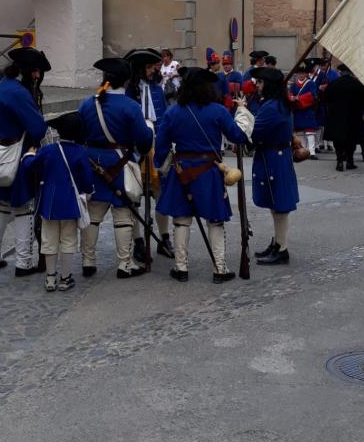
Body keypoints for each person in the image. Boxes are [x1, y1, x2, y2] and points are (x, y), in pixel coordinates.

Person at [154, 67, 248, 283]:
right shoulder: (218, 111)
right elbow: (238, 136)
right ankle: (219, 269)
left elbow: (161, 145)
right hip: (209, 172)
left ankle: (181, 268)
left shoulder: (173, 112)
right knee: (215, 220)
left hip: (182, 170)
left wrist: (160, 165)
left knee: (181, 220)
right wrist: (242, 111)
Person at [79, 57, 154, 278]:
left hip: (92, 162)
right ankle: (125, 264)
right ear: (127, 81)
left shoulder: (87, 104)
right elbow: (144, 142)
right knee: (123, 214)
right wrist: (149, 130)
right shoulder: (130, 106)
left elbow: (80, 133)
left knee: (93, 214)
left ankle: (88, 261)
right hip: (119, 162)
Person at [0, 48, 50, 274]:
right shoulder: (18, 92)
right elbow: (38, 128)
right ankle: (23, 262)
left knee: (1, 205)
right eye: (35, 71)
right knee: (24, 207)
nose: (37, 76)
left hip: (1, 153)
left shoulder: (2, 85)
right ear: (26, 70)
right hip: (19, 153)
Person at [24, 112, 94, 293]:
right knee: (68, 240)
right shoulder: (80, 152)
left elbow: (31, 165)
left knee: (49, 240)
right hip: (70, 203)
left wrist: (29, 155)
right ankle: (65, 278)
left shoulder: (48, 150)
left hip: (49, 203)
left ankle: (50, 278)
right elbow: (87, 182)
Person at [248, 67, 300, 266]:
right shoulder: (276, 103)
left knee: (279, 205)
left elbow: (255, 132)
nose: (258, 86)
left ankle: (282, 248)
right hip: (272, 156)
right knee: (274, 203)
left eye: (260, 82)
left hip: (274, 158)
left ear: (268, 85)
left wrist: (242, 115)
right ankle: (278, 242)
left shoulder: (272, 106)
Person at [126, 47, 173, 262]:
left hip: (157, 149)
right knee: (134, 197)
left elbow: (164, 118)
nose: (152, 70)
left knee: (160, 195)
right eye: (148, 67)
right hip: (135, 151)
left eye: (152, 66)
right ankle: (138, 242)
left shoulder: (156, 89)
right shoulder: (129, 91)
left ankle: (164, 239)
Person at [321, 63, 364, 171]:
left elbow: (325, 99)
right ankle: (350, 161)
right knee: (351, 140)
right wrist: (361, 110)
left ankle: (339, 162)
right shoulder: (357, 84)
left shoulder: (334, 84)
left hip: (337, 117)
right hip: (354, 118)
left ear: (340, 72)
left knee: (338, 140)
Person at [288, 63, 320, 159]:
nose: (301, 75)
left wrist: (299, 98)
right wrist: (292, 98)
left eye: (303, 73)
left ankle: (312, 152)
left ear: (306, 74)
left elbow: (312, 95)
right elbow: (289, 94)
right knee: (300, 132)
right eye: (299, 73)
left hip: (308, 110)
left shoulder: (311, 83)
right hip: (298, 111)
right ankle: (303, 151)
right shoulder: (294, 85)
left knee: (310, 132)